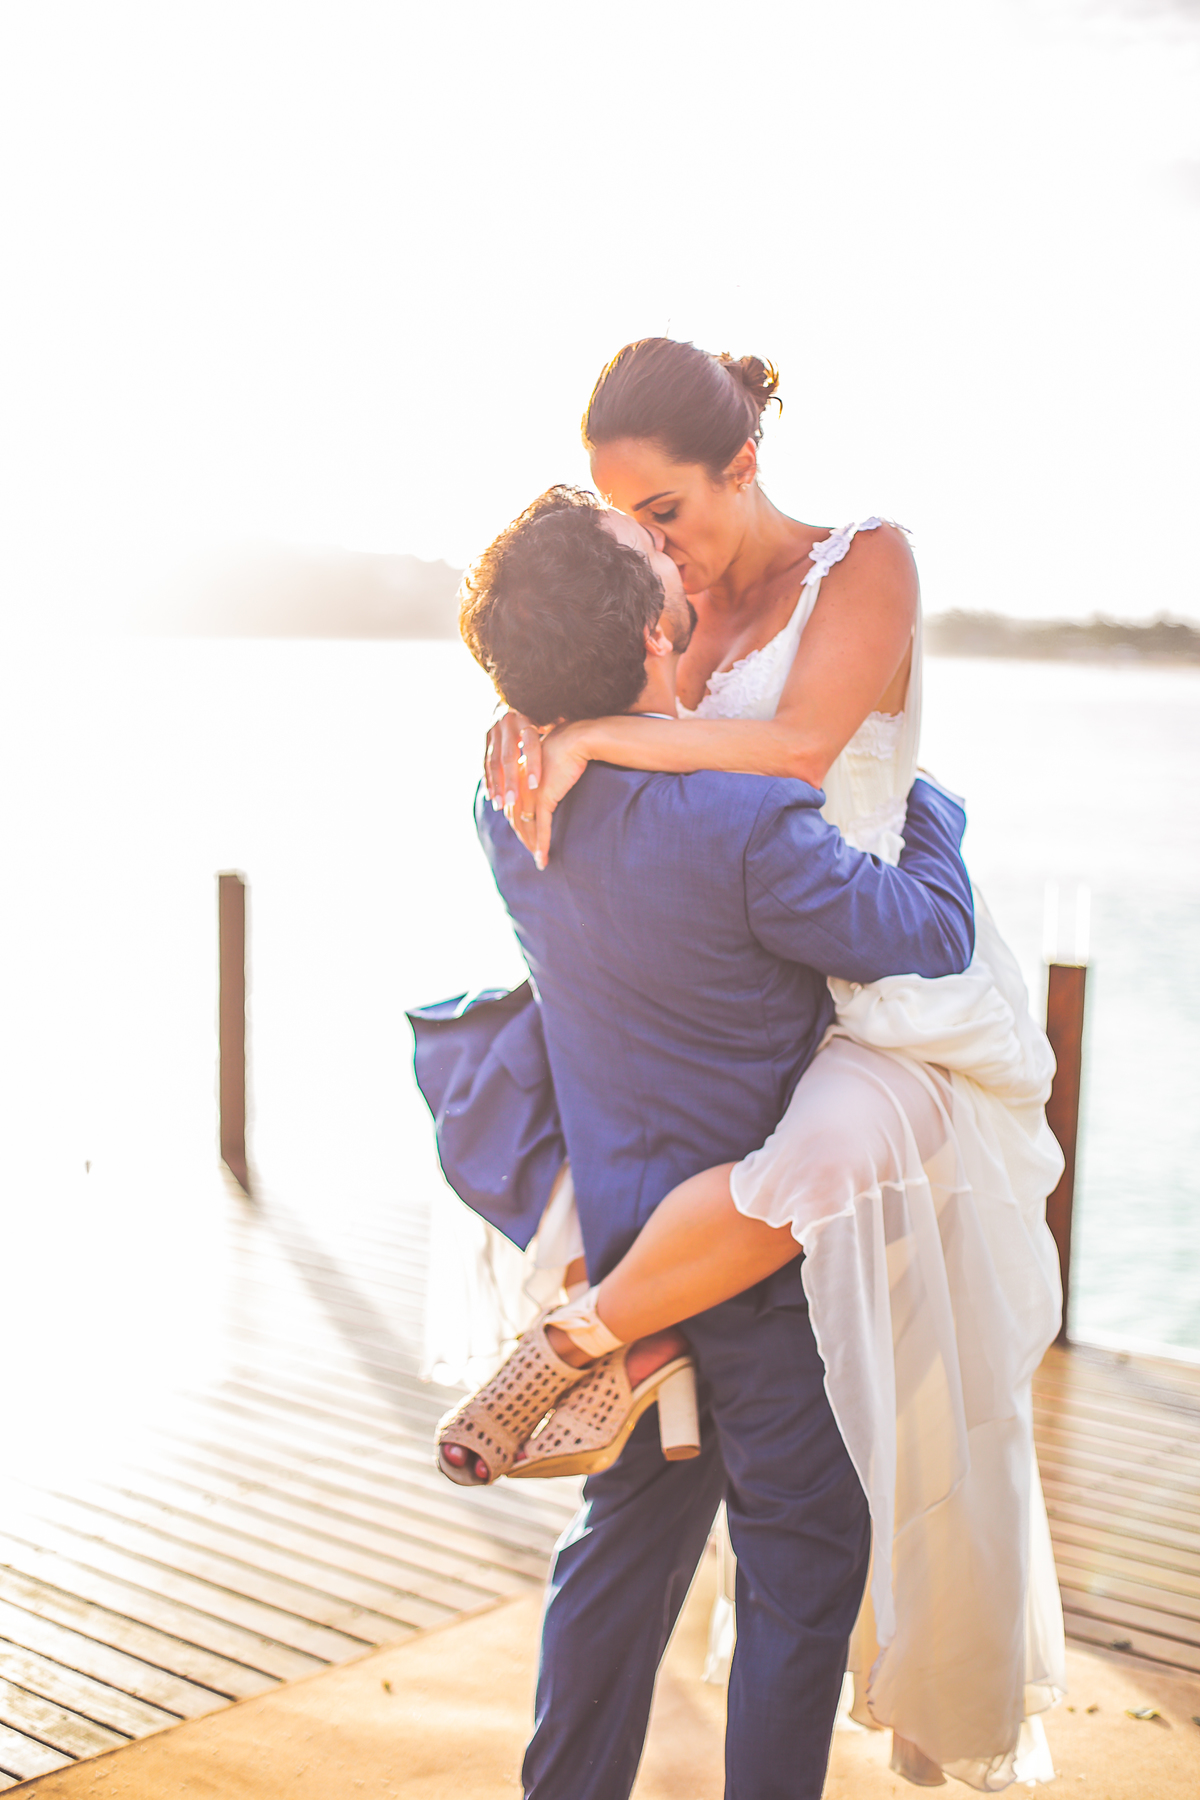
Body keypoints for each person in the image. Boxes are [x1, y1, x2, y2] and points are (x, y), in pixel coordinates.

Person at [427, 340, 1066, 1791]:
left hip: (629, 1186)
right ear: (651, 637)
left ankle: (564, 1770)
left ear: (740, 467)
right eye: (637, 537)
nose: (666, 554)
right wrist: (937, 814)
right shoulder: (737, 820)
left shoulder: (509, 799)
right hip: (769, 1205)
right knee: (804, 1552)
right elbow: (901, 915)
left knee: (632, 1531)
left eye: (663, 514)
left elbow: (776, 748)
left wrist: (569, 720)